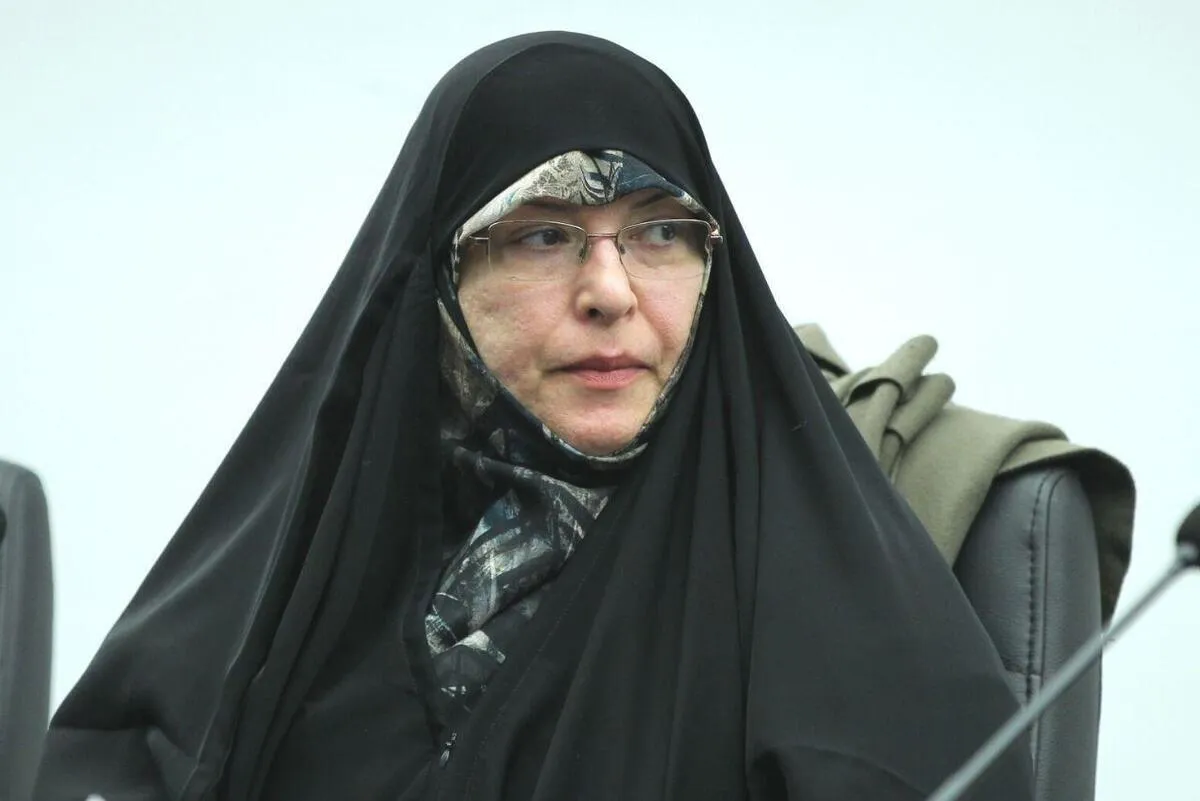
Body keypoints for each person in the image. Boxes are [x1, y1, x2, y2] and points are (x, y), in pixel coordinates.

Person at [35, 32, 1034, 800]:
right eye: (543, 235)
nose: (610, 291)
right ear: (440, 277)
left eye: (660, 233)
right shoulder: (315, 552)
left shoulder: (842, 614)